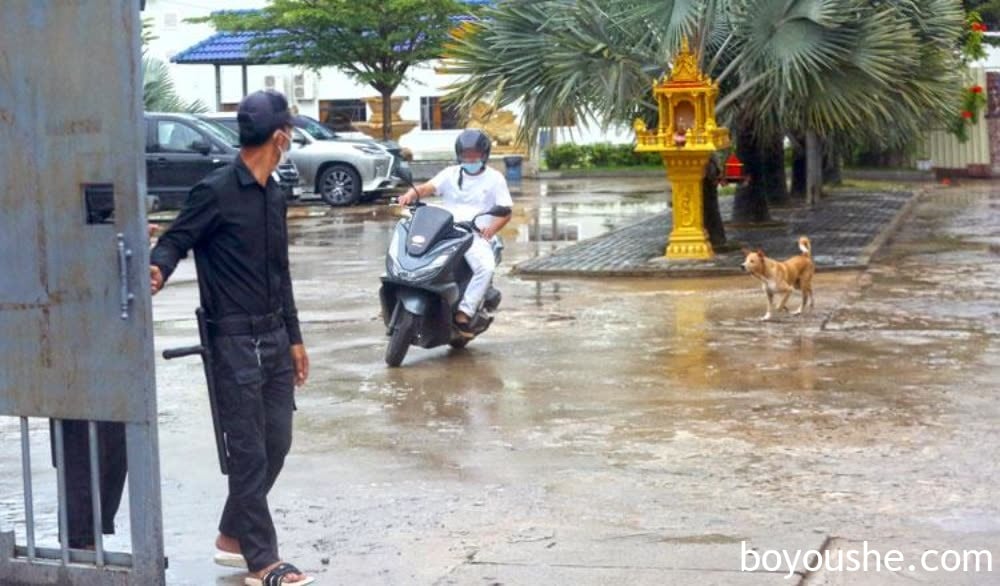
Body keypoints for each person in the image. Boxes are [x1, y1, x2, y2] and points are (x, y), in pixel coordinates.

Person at [149, 90, 313, 586]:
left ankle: (231, 534)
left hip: (274, 333)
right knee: (248, 452)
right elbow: (176, 238)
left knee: (277, 442)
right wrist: (158, 267)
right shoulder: (216, 190)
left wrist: (295, 338)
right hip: (234, 342)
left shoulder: (274, 193)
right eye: (290, 131)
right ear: (280, 136)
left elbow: (279, 272)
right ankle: (263, 561)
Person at [396, 129, 513, 334]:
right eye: (466, 155)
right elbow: (427, 188)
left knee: (485, 267)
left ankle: (464, 312)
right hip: (446, 228)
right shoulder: (450, 173)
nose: (470, 159)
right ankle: (403, 294)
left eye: (475, 155)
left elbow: (506, 212)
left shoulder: (495, 179)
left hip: (474, 234)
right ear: (459, 154)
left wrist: (490, 230)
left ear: (484, 155)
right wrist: (410, 195)